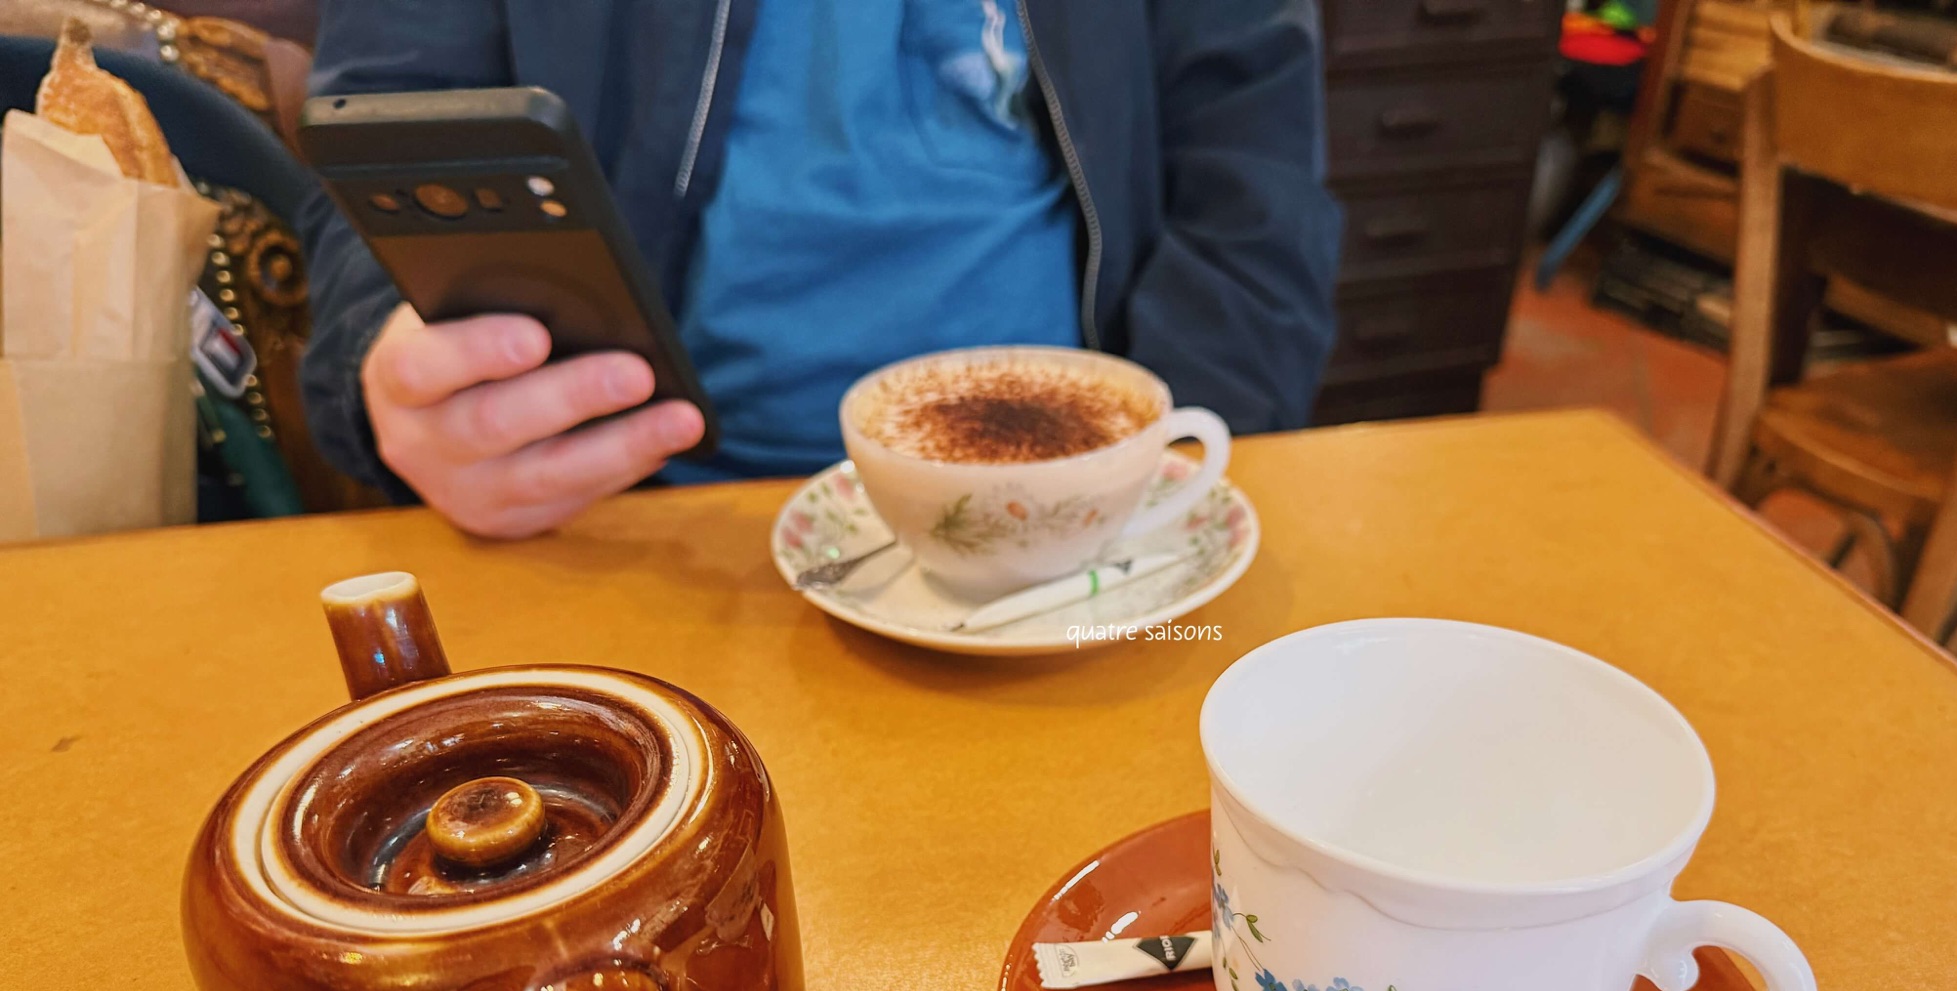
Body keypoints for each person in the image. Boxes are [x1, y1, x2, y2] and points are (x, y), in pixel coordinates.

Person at [300, 0, 1342, 538]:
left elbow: (1254, 157)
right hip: (637, 521)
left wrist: (1167, 483)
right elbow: (380, 127)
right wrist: (392, 356)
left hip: (1096, 514)